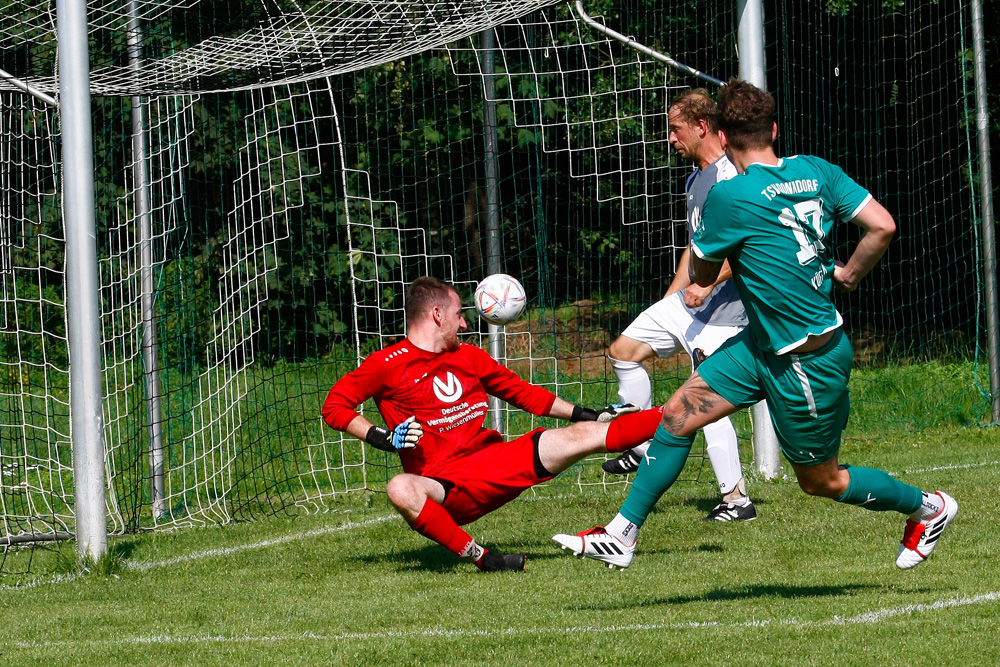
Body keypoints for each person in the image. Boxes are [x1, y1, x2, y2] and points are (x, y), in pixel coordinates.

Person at [554, 79, 958, 571]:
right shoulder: (816, 170)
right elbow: (884, 225)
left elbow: (702, 272)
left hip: (806, 363)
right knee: (679, 413)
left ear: (722, 137)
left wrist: (705, 276)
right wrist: (850, 272)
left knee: (821, 481)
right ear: (772, 129)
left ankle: (929, 507)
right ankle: (622, 534)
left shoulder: (730, 195)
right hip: (760, 346)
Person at [322, 276, 665, 572]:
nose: (464, 325)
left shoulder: (469, 357)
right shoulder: (387, 363)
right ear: (437, 314)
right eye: (459, 315)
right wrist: (379, 436)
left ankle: (678, 411)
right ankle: (483, 558)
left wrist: (584, 414)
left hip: (492, 466)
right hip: (444, 487)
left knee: (585, 434)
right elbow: (334, 406)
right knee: (399, 487)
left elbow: (521, 393)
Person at [602, 89, 756, 523]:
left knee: (706, 400)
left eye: (675, 128)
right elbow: (697, 248)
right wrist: (672, 296)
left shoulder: (733, 177)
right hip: (690, 304)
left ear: (702, 127)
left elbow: (742, 246)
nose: (670, 138)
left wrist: (707, 288)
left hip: (725, 314)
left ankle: (737, 499)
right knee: (623, 351)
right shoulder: (695, 178)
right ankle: (642, 446)